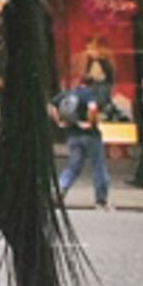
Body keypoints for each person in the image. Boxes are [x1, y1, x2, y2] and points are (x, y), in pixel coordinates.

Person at [52, 77, 113, 210]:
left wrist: (59, 122)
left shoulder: (68, 93)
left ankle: (60, 189)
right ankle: (101, 200)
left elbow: (52, 105)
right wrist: (90, 123)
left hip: (72, 134)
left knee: (72, 166)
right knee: (98, 166)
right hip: (90, 136)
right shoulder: (89, 94)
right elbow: (93, 108)